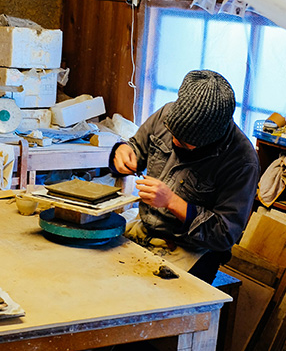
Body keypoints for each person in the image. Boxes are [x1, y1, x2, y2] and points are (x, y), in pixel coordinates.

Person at [110, 69, 260, 284]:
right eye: (173, 133)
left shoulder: (241, 160)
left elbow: (225, 235)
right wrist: (122, 151)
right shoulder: (167, 116)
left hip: (193, 250)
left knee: (149, 300)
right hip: (145, 229)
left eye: (184, 141)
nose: (174, 141)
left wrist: (172, 202)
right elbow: (135, 148)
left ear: (210, 139)